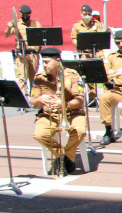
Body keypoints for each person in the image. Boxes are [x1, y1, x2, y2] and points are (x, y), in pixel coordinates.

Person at [29, 47, 87, 176]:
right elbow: (33, 102)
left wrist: (65, 104)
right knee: (39, 134)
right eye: (42, 62)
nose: (43, 65)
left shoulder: (72, 75)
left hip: (72, 112)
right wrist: (39, 99)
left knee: (80, 130)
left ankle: (64, 158)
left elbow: (80, 100)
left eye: (46, 62)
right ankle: (64, 156)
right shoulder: (40, 78)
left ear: (57, 61)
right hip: (49, 114)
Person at [5, 4, 42, 92]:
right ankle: (23, 101)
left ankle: (34, 98)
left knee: (34, 79)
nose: (25, 17)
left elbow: (41, 35)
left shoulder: (36, 24)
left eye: (27, 15)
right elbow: (7, 35)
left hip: (33, 54)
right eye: (23, 15)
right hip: (22, 54)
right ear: (20, 14)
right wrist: (9, 26)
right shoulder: (17, 24)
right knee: (22, 78)